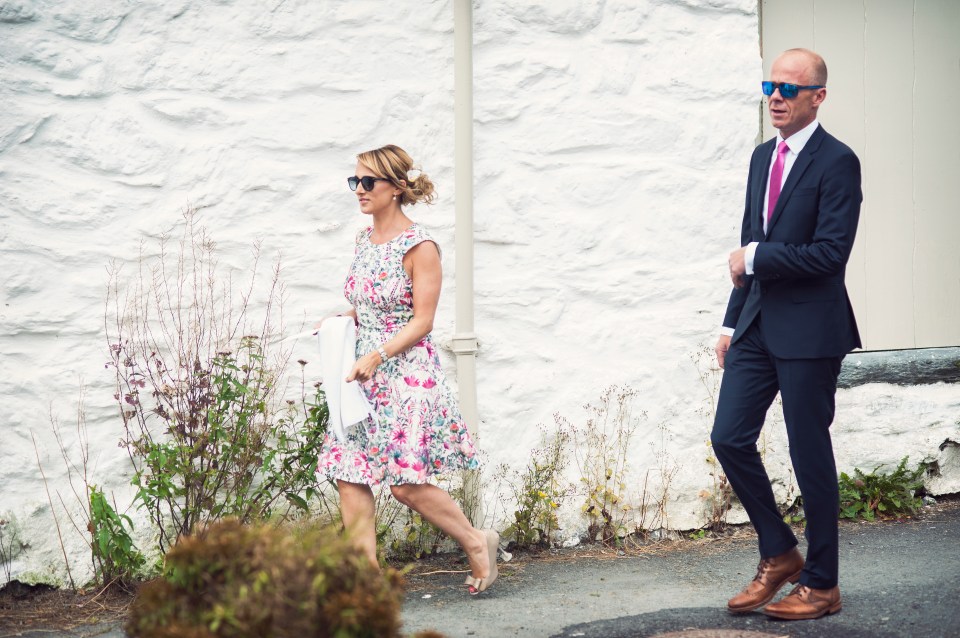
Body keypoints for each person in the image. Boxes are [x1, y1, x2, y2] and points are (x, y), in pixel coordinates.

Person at [711, 49, 862, 620]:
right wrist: (731, 321)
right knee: (728, 437)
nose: (776, 96)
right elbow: (751, 244)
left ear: (817, 97)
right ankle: (779, 553)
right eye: (770, 85)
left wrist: (754, 257)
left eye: (790, 89)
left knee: (808, 453)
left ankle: (823, 584)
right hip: (755, 327)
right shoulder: (761, 158)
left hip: (811, 329)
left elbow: (829, 253)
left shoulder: (837, 162)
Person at [316, 144, 499, 595]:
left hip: (406, 375)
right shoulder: (363, 240)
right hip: (361, 371)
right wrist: (343, 324)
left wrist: (377, 354)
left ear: (396, 188)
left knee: (406, 484)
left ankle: (477, 543)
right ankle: (366, 580)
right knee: (350, 470)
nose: (359, 190)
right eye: (354, 181)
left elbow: (422, 321)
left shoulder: (421, 246)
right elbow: (369, 304)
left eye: (368, 182)